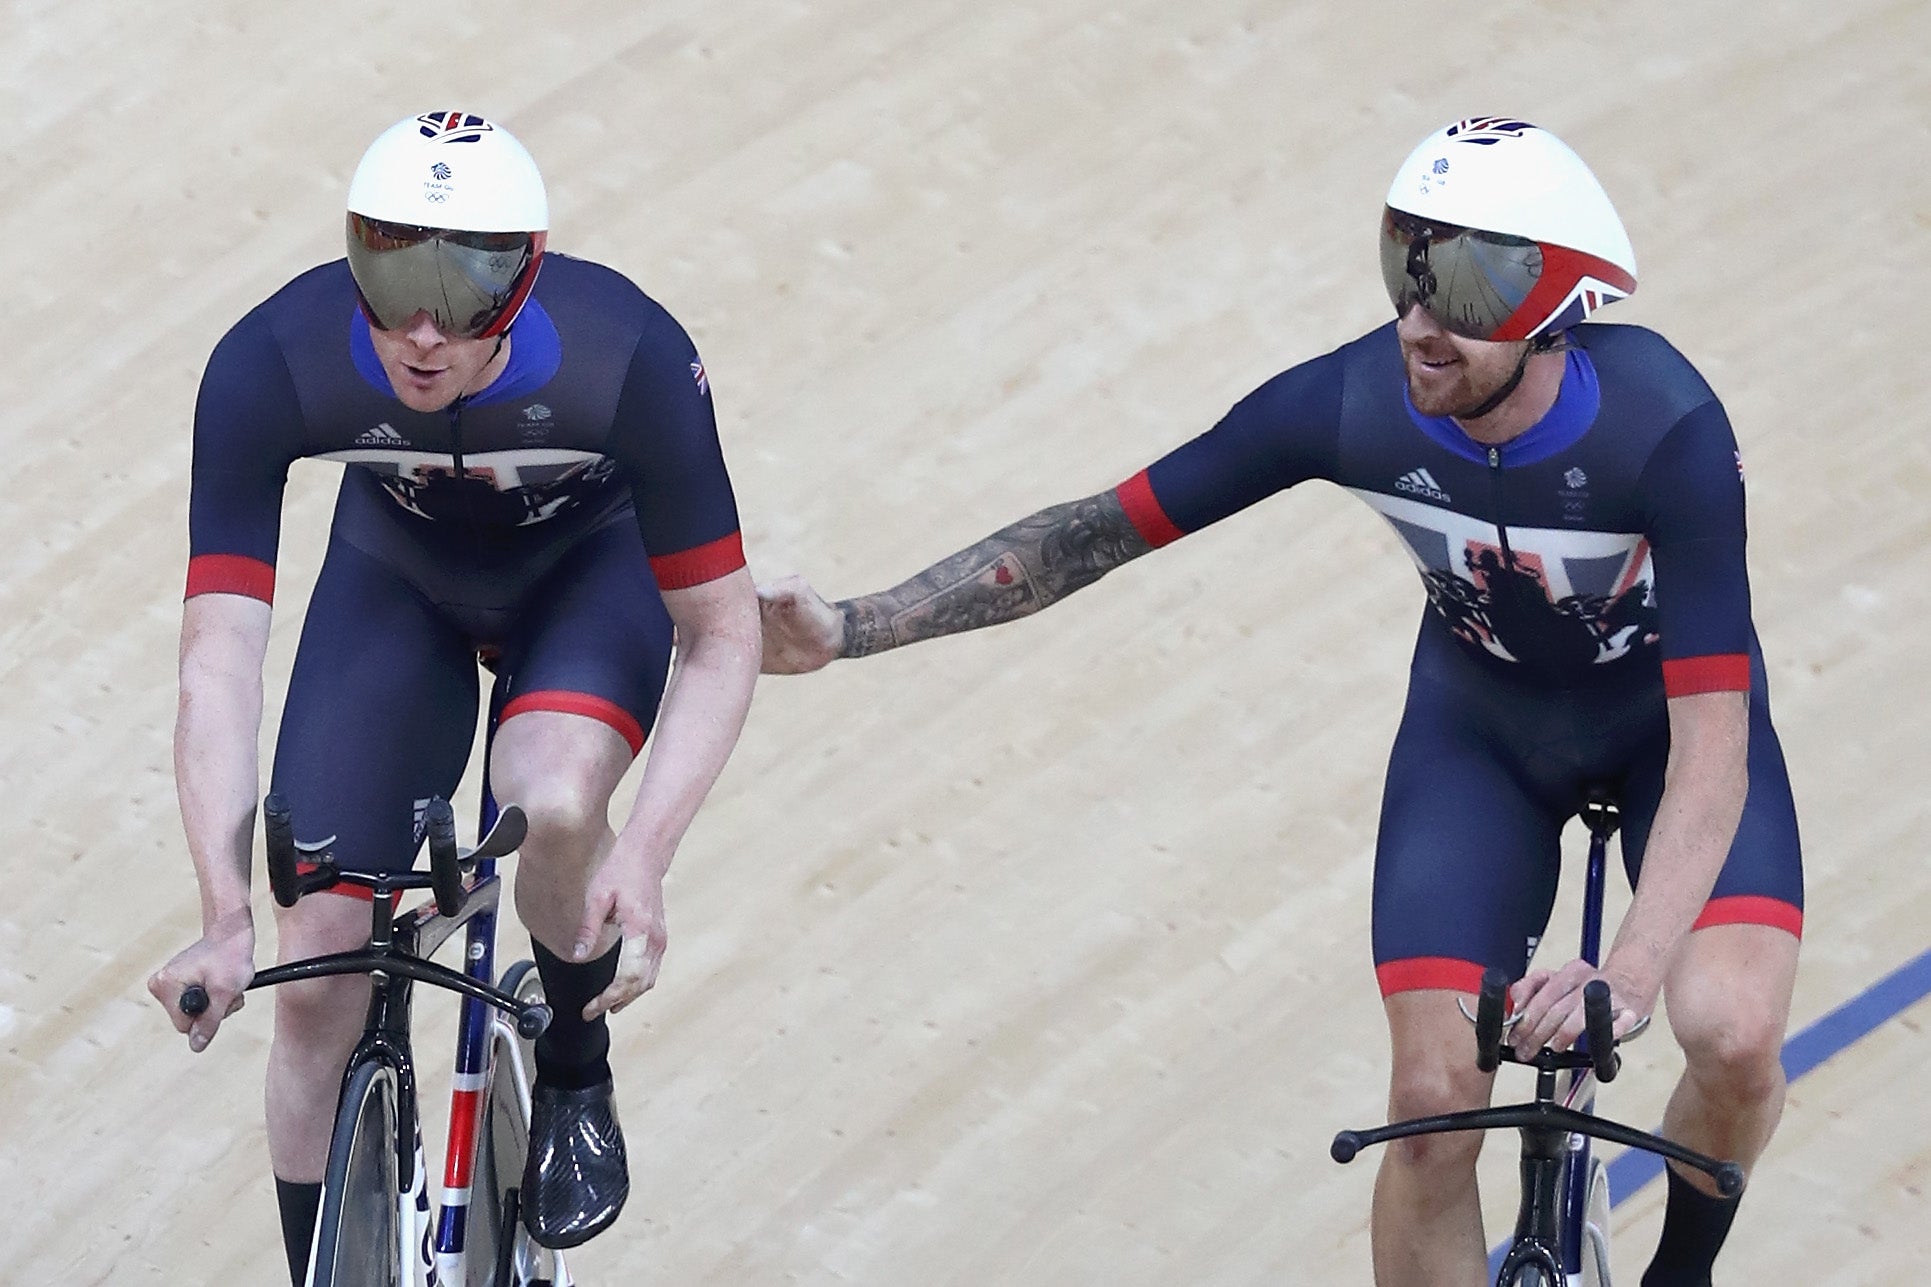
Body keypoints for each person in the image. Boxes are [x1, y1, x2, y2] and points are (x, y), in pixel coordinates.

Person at [759, 117, 1801, 1287]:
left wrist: (1627, 967)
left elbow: (1712, 742)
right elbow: (1096, 533)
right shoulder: (1351, 401)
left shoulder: (1666, 432)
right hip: (1483, 742)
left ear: (1554, 303)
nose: (1416, 321)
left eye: (1456, 284)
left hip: (1669, 743)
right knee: (1427, 1106)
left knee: (1731, 1034)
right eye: (1404, 267)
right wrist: (852, 627)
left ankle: (1682, 1275)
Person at [145, 111, 760, 1281]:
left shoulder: (626, 354)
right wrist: (224, 915)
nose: (421, 332)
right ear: (350, 260)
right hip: (401, 585)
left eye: (463, 294)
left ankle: (574, 1062)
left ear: (524, 281)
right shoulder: (268, 361)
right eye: (389, 281)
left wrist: (649, 855)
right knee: (314, 960)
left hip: (587, 578)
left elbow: (720, 634)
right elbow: (216, 660)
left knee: (559, 802)